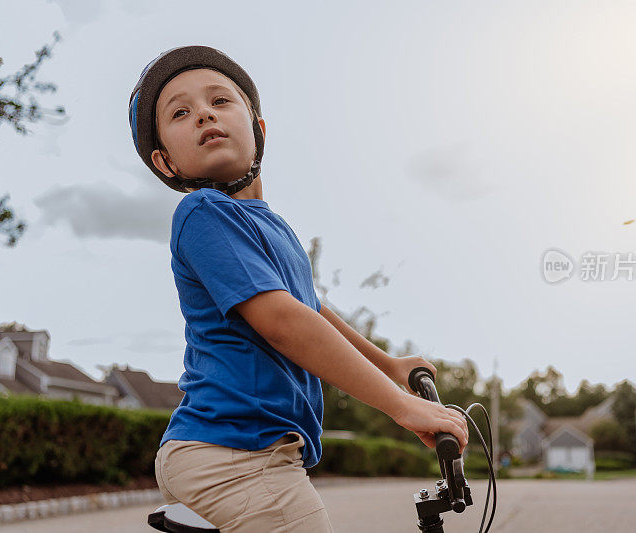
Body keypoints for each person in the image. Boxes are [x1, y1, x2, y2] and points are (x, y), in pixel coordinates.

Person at [128, 45, 469, 533]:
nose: (203, 113)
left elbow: (311, 308)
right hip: (231, 452)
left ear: (259, 130)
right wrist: (402, 406)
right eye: (180, 112)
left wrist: (391, 367)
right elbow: (285, 323)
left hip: (250, 449)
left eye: (220, 101)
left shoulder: (273, 228)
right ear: (165, 163)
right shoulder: (204, 212)